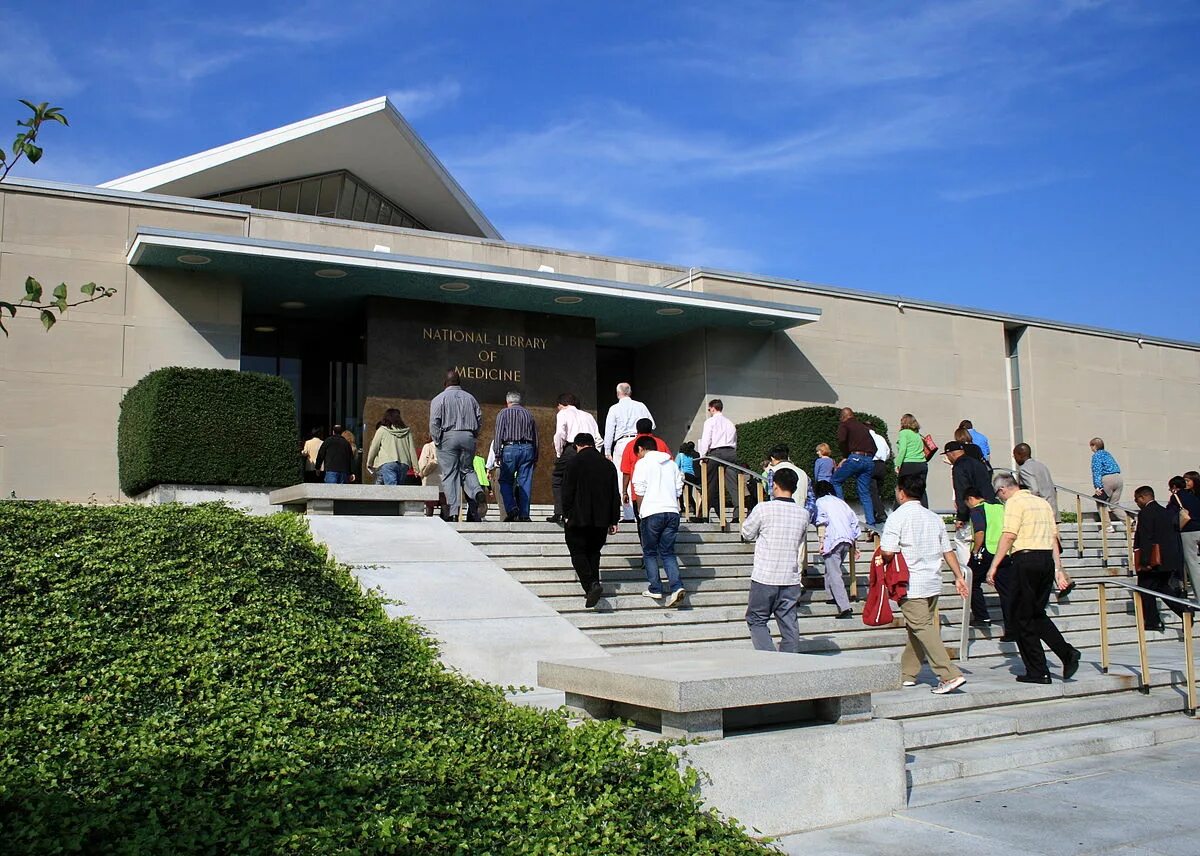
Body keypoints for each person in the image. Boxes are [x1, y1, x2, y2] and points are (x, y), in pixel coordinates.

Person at [984, 472, 1081, 684]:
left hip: (1025, 560)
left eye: (998, 494)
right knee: (1035, 614)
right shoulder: (1042, 503)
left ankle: (1038, 670)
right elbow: (1054, 538)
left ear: (1003, 489)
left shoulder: (1014, 504)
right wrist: (1058, 568)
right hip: (1045, 559)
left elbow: (1009, 535)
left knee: (1021, 618)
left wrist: (994, 565)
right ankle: (1066, 653)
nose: (999, 498)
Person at [881, 472, 970, 694]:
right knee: (917, 628)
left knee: (921, 627)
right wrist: (959, 576)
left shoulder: (897, 517)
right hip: (932, 581)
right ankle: (907, 673)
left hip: (910, 583)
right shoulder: (933, 517)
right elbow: (947, 550)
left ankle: (949, 674)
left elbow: (889, 551)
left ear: (901, 493)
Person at [742, 467, 809, 653]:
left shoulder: (763, 509)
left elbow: (747, 533)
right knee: (789, 623)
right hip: (790, 578)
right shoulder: (803, 514)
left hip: (766, 575)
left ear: (775, 485)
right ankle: (789, 661)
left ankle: (769, 658)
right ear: (794, 488)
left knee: (756, 618)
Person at [561, 433, 621, 609]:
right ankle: (593, 586)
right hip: (602, 519)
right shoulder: (608, 465)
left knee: (577, 552)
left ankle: (591, 585)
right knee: (594, 552)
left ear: (578, 445)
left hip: (577, 517)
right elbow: (613, 494)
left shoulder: (573, 463)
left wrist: (566, 513)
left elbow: (567, 490)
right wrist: (614, 519)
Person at [632, 435, 686, 607]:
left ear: (641, 449)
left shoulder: (642, 464)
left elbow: (639, 489)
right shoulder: (671, 464)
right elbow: (679, 487)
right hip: (672, 511)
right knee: (668, 552)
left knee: (649, 552)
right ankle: (676, 586)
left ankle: (655, 588)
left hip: (652, 511)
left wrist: (640, 510)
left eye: (638, 452)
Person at [1133, 485, 1190, 632]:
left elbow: (1146, 537)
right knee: (1162, 588)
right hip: (1167, 559)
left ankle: (1153, 621)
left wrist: (1144, 561)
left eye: (1137, 499)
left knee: (1146, 589)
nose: (1136, 502)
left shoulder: (1146, 513)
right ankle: (1184, 611)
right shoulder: (1165, 512)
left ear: (1144, 497)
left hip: (1153, 560)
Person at [430, 370, 484, 521]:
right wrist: (473, 434)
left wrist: (437, 439)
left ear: (445, 383)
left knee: (450, 474)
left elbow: (434, 422)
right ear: (459, 382)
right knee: (467, 470)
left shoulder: (439, 399)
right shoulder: (471, 398)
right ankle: (478, 492)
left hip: (448, 436)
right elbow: (479, 418)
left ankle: (453, 512)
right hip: (468, 436)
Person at [603, 383, 654, 521]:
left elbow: (609, 431)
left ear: (618, 393)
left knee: (623, 476)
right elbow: (652, 424)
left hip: (621, 442)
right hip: (641, 442)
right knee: (643, 475)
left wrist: (607, 450)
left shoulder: (614, 408)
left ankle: (629, 513)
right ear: (630, 393)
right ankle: (643, 510)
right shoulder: (641, 406)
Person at [548, 393, 601, 524]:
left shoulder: (563, 413)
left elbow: (560, 434)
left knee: (558, 478)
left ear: (562, 404)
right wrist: (596, 453)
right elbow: (598, 439)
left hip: (571, 449)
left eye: (558, 406)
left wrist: (559, 452)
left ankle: (559, 512)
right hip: (591, 450)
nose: (558, 408)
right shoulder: (588, 416)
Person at [813, 480, 858, 619]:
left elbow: (821, 521)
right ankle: (831, 595)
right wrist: (856, 544)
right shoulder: (841, 502)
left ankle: (845, 607)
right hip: (847, 539)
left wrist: (821, 541)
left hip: (832, 538)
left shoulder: (820, 502)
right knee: (832, 568)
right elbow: (854, 521)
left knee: (834, 574)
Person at [963, 488, 1007, 630]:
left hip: (986, 551)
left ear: (970, 499)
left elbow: (980, 532)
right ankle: (1011, 627)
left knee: (971, 583)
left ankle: (982, 617)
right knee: (1005, 590)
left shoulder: (977, 510)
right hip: (1003, 552)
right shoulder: (1000, 508)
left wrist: (975, 550)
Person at [492, 391, 539, 523]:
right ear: (519, 401)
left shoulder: (503, 413)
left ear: (507, 402)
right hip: (528, 448)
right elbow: (536, 437)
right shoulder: (529, 414)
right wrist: (535, 455)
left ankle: (511, 507)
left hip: (510, 448)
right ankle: (524, 514)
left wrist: (497, 453)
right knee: (525, 482)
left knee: (505, 480)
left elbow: (498, 434)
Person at [832, 407, 878, 531]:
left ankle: (843, 513)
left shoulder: (845, 424)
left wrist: (846, 456)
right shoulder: (863, 427)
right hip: (869, 460)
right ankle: (871, 524)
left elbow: (841, 440)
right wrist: (867, 458)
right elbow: (874, 447)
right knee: (864, 493)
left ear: (843, 416)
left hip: (855, 458)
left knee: (835, 480)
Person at [619, 418, 669, 525]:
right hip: (661, 493)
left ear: (637, 429)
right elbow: (670, 463)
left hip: (638, 494)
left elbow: (626, 472)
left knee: (642, 526)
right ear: (651, 429)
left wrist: (624, 492)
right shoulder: (661, 443)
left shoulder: (630, 445)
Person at [697, 398, 738, 520]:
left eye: (709, 409)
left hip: (717, 453)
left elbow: (706, 440)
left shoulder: (710, 422)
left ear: (713, 408)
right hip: (731, 453)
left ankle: (703, 514)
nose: (709, 411)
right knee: (733, 484)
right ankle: (737, 514)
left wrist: (702, 456)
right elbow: (735, 441)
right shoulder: (730, 423)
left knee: (709, 484)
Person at [944, 440, 996, 527]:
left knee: (965, 539)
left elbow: (962, 491)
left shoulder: (959, 467)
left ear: (951, 454)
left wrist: (961, 516)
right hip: (989, 505)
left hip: (974, 510)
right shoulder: (978, 463)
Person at [1168, 475, 1200, 600]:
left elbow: (1170, 514)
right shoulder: (1195, 496)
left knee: (1192, 565)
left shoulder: (1176, 497)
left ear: (1174, 487)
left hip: (1188, 531)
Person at [367, 409, 418, 487]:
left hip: (387, 463)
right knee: (398, 491)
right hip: (404, 464)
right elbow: (412, 450)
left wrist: (369, 463)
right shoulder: (407, 432)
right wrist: (416, 468)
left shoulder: (382, 430)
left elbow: (374, 448)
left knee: (392, 491)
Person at [1089, 437, 1127, 532]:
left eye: (1091, 446)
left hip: (1107, 479)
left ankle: (1107, 526)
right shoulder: (1108, 454)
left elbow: (1097, 471)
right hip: (1118, 478)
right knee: (1114, 504)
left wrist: (1098, 486)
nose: (1091, 449)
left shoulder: (1096, 456)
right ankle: (1129, 521)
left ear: (1094, 446)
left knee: (1101, 501)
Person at [1013, 443, 1059, 522]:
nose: (1014, 458)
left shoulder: (1024, 469)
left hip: (1040, 513)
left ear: (1020, 454)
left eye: (1015, 455)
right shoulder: (1042, 466)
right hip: (1052, 509)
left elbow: (1033, 491)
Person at [894, 413, 929, 508]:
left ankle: (898, 510)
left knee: (902, 488)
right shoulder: (917, 434)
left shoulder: (904, 433)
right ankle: (924, 509)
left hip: (909, 464)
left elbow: (903, 450)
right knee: (921, 488)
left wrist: (897, 464)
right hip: (922, 464)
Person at [868, 426, 891, 524]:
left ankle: (881, 513)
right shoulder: (880, 437)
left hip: (872, 463)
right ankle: (874, 516)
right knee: (877, 492)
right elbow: (888, 452)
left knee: (872, 492)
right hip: (882, 464)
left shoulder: (867, 438)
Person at [417, 435, 444, 518]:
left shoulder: (428, 446)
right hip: (445, 483)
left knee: (430, 506)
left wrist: (421, 473)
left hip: (430, 481)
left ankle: (429, 526)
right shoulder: (447, 448)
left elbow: (422, 463)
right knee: (445, 505)